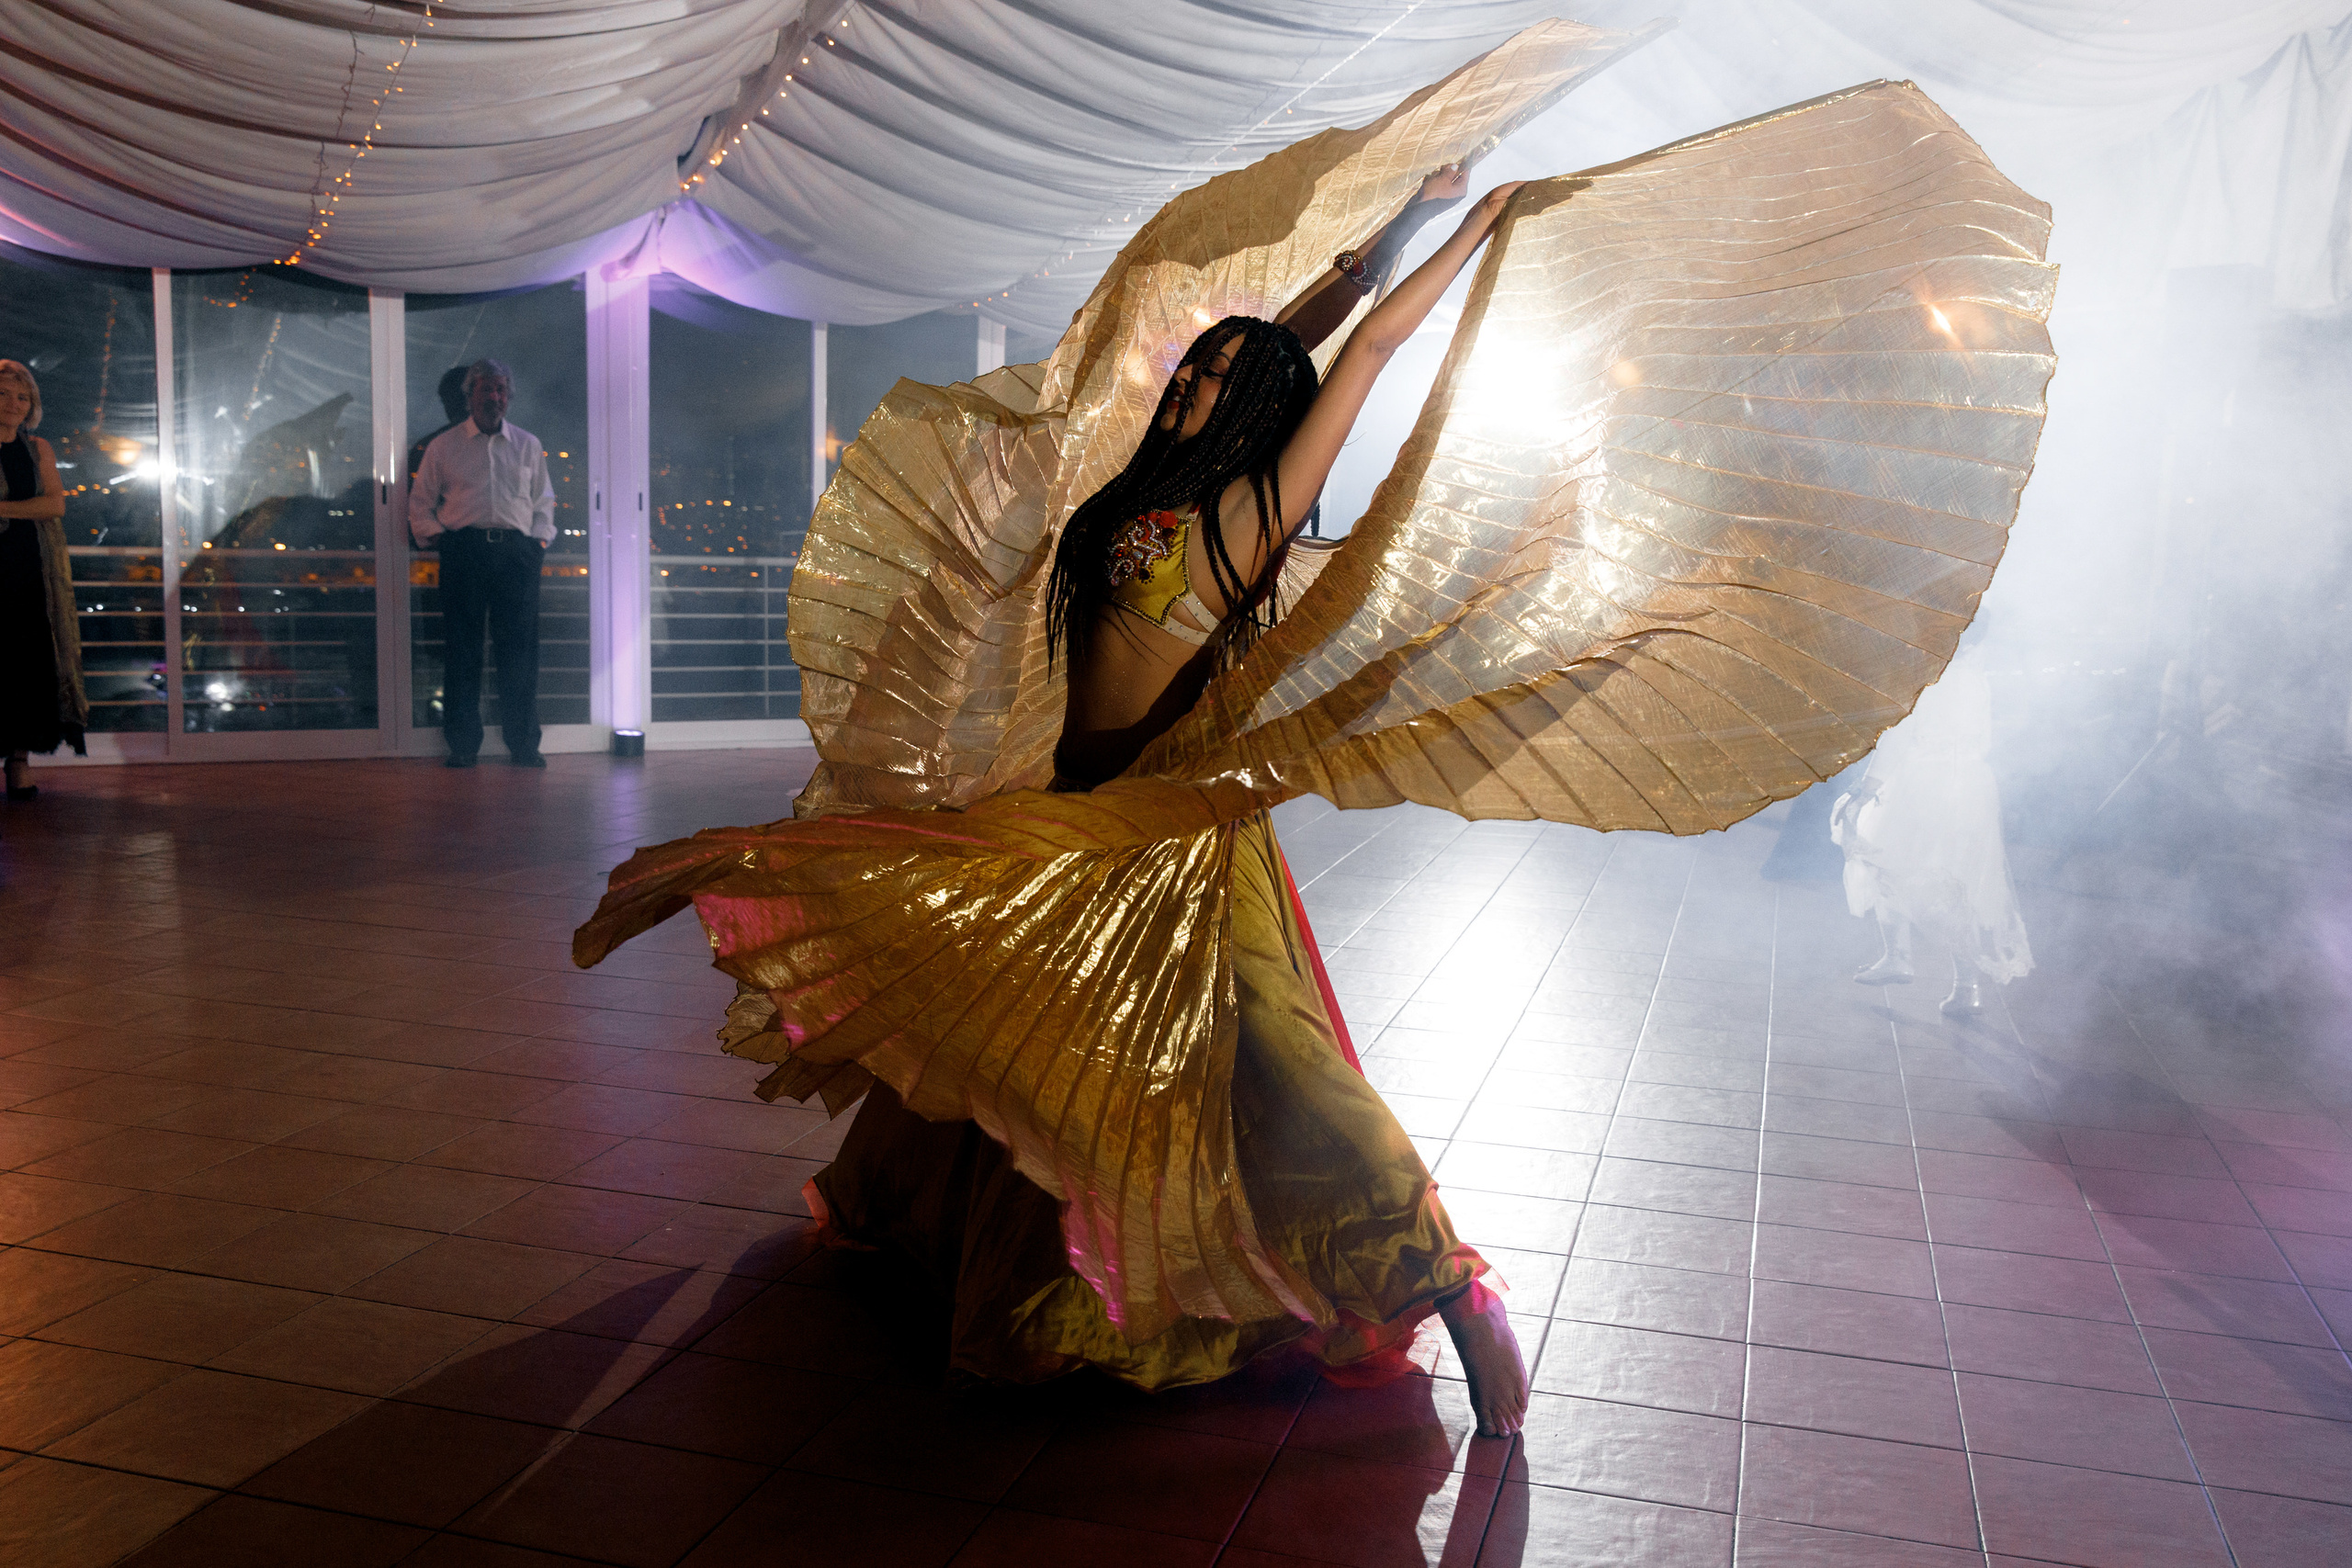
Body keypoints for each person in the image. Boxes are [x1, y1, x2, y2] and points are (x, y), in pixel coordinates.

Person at [572, 36, 2054, 1446]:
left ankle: (1454, 1292)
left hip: (1172, 847)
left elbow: (1356, 359)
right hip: (1068, 809)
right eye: (1197, 373)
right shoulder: (1159, 467)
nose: (1196, 384)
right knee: (1002, 1054)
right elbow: (1307, 322)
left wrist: (1474, 234)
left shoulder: (1249, 508)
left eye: (1221, 383)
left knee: (1286, 1088)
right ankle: (985, 1272)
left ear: (1257, 426)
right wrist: (1385, 229)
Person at [1835, 650, 2034, 1015]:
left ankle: (1900, 957)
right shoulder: (1976, 673)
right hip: (1971, 785)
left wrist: (1865, 789)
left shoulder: (1929, 673)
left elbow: (1899, 734)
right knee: (1956, 882)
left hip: (1923, 784)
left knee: (1886, 860)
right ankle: (1964, 986)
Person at [410, 358, 554, 767]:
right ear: (470, 395)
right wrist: (442, 540)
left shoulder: (527, 444)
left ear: (508, 397)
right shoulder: (444, 446)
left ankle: (524, 744)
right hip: (465, 553)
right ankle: (462, 746)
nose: (495, 397)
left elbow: (544, 501)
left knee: (520, 653)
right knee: (462, 651)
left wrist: (537, 543)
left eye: (501, 390)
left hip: (517, 556)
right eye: (487, 389)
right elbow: (420, 505)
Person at [0, 358, 86, 800]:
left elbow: (55, 505)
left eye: (22, 396)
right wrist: (25, 508)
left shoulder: (39, 449)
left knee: (25, 664)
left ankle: (18, 763)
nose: (13, 404)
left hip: (30, 570)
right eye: (3, 394)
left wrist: (4, 509)